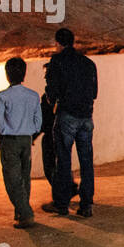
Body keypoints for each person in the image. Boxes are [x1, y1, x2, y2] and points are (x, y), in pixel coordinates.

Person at [42, 28, 97, 218]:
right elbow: (94, 93)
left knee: (63, 160)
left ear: (57, 43)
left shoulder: (57, 62)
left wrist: (53, 99)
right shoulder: (89, 64)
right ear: (73, 42)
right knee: (86, 161)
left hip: (67, 116)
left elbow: (52, 92)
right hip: (86, 118)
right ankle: (87, 203)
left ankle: (62, 203)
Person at [0, 57, 43, 229]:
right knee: (24, 177)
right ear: (24, 73)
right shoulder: (33, 95)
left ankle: (26, 213)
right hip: (26, 140)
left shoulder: (2, 97)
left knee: (12, 179)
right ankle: (20, 213)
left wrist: (0, 135)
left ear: (7, 75)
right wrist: (30, 132)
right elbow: (38, 122)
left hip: (10, 141)